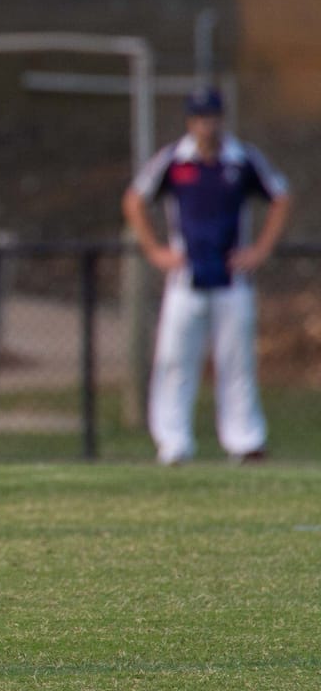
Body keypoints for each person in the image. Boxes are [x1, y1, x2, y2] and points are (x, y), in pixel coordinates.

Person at [123, 86, 290, 465]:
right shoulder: (174, 160)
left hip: (233, 280)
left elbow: (281, 196)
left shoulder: (242, 159)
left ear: (221, 119)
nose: (205, 126)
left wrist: (260, 249)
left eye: (211, 117)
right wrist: (154, 250)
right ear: (190, 121)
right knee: (175, 361)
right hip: (186, 280)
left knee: (237, 362)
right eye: (199, 118)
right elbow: (134, 198)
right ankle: (173, 442)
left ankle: (245, 441)